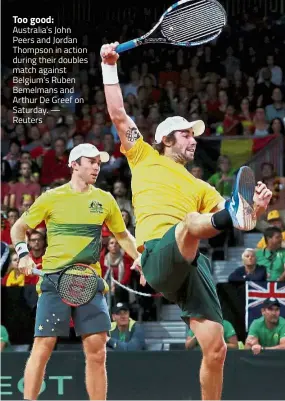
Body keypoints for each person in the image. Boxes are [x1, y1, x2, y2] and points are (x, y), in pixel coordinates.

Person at [101, 42, 272, 401]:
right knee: (190, 223)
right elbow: (118, 114)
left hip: (192, 266)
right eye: (186, 134)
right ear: (166, 139)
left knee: (216, 348)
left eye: (194, 135)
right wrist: (109, 66)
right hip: (160, 255)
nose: (193, 140)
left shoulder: (200, 184)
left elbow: (241, 225)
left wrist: (254, 209)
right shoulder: (144, 156)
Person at [11, 143, 141, 401]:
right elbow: (18, 227)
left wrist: (140, 257)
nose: (96, 166)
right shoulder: (51, 197)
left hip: (89, 280)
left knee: (97, 349)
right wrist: (24, 253)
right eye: (90, 161)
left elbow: (123, 235)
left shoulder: (104, 199)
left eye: (98, 163)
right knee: (43, 345)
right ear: (74, 165)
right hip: (54, 280)